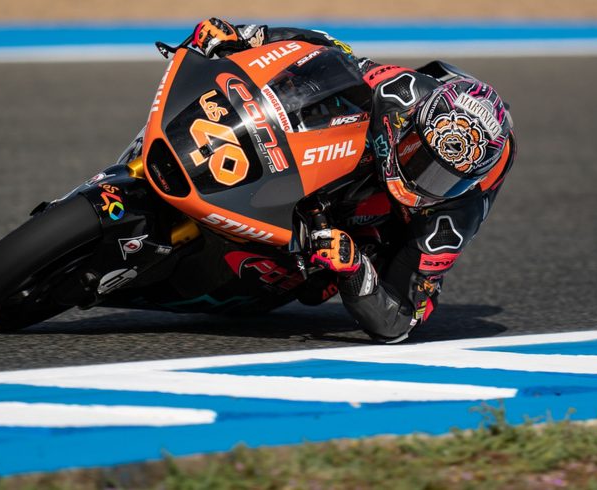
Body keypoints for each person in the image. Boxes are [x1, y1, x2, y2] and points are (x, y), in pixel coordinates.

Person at [186, 19, 516, 343]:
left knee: (323, 284)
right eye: (418, 155)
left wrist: (354, 267)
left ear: (470, 182)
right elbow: (328, 52)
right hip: (380, 136)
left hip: (385, 230)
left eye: (444, 179)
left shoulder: (454, 219)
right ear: (411, 124)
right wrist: (247, 36)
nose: (421, 180)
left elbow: (399, 322)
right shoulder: (400, 91)